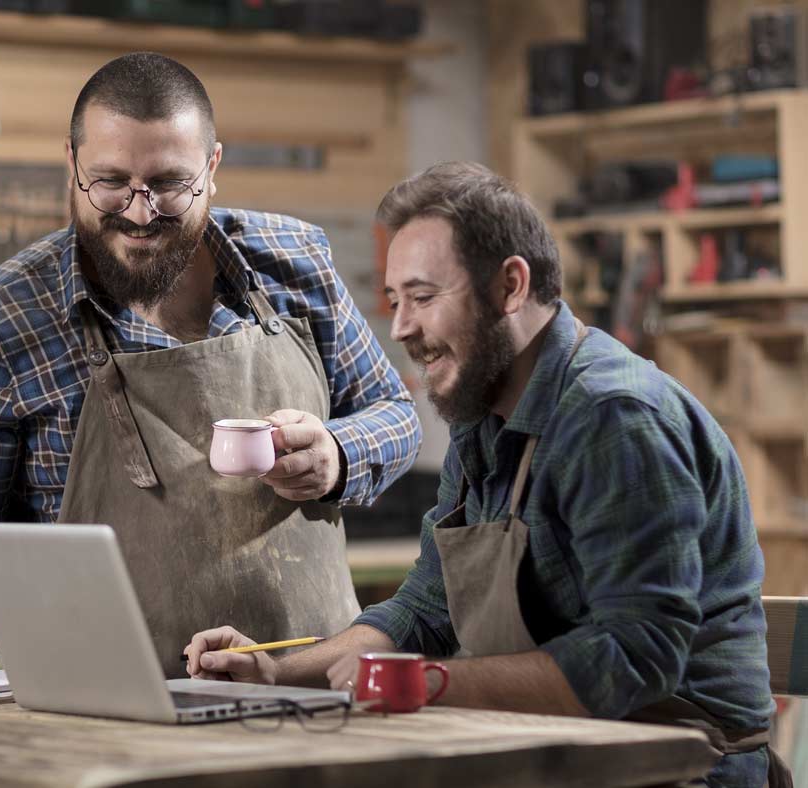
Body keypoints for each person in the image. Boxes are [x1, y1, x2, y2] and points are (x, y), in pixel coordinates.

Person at [185, 161, 785, 787]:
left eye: (423, 297)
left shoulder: (614, 418)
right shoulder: (485, 416)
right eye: (395, 301)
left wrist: (428, 683)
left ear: (510, 286)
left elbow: (637, 658)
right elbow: (426, 608)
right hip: (563, 754)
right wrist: (277, 674)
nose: (402, 328)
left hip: (684, 768)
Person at [0, 52, 421, 676]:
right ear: (71, 165)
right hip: (109, 693)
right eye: (111, 182)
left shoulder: (296, 263)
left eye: (170, 183)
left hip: (308, 680)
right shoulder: (1, 322)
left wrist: (338, 453)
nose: (141, 212)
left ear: (212, 166)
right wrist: (30, 625)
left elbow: (396, 416)